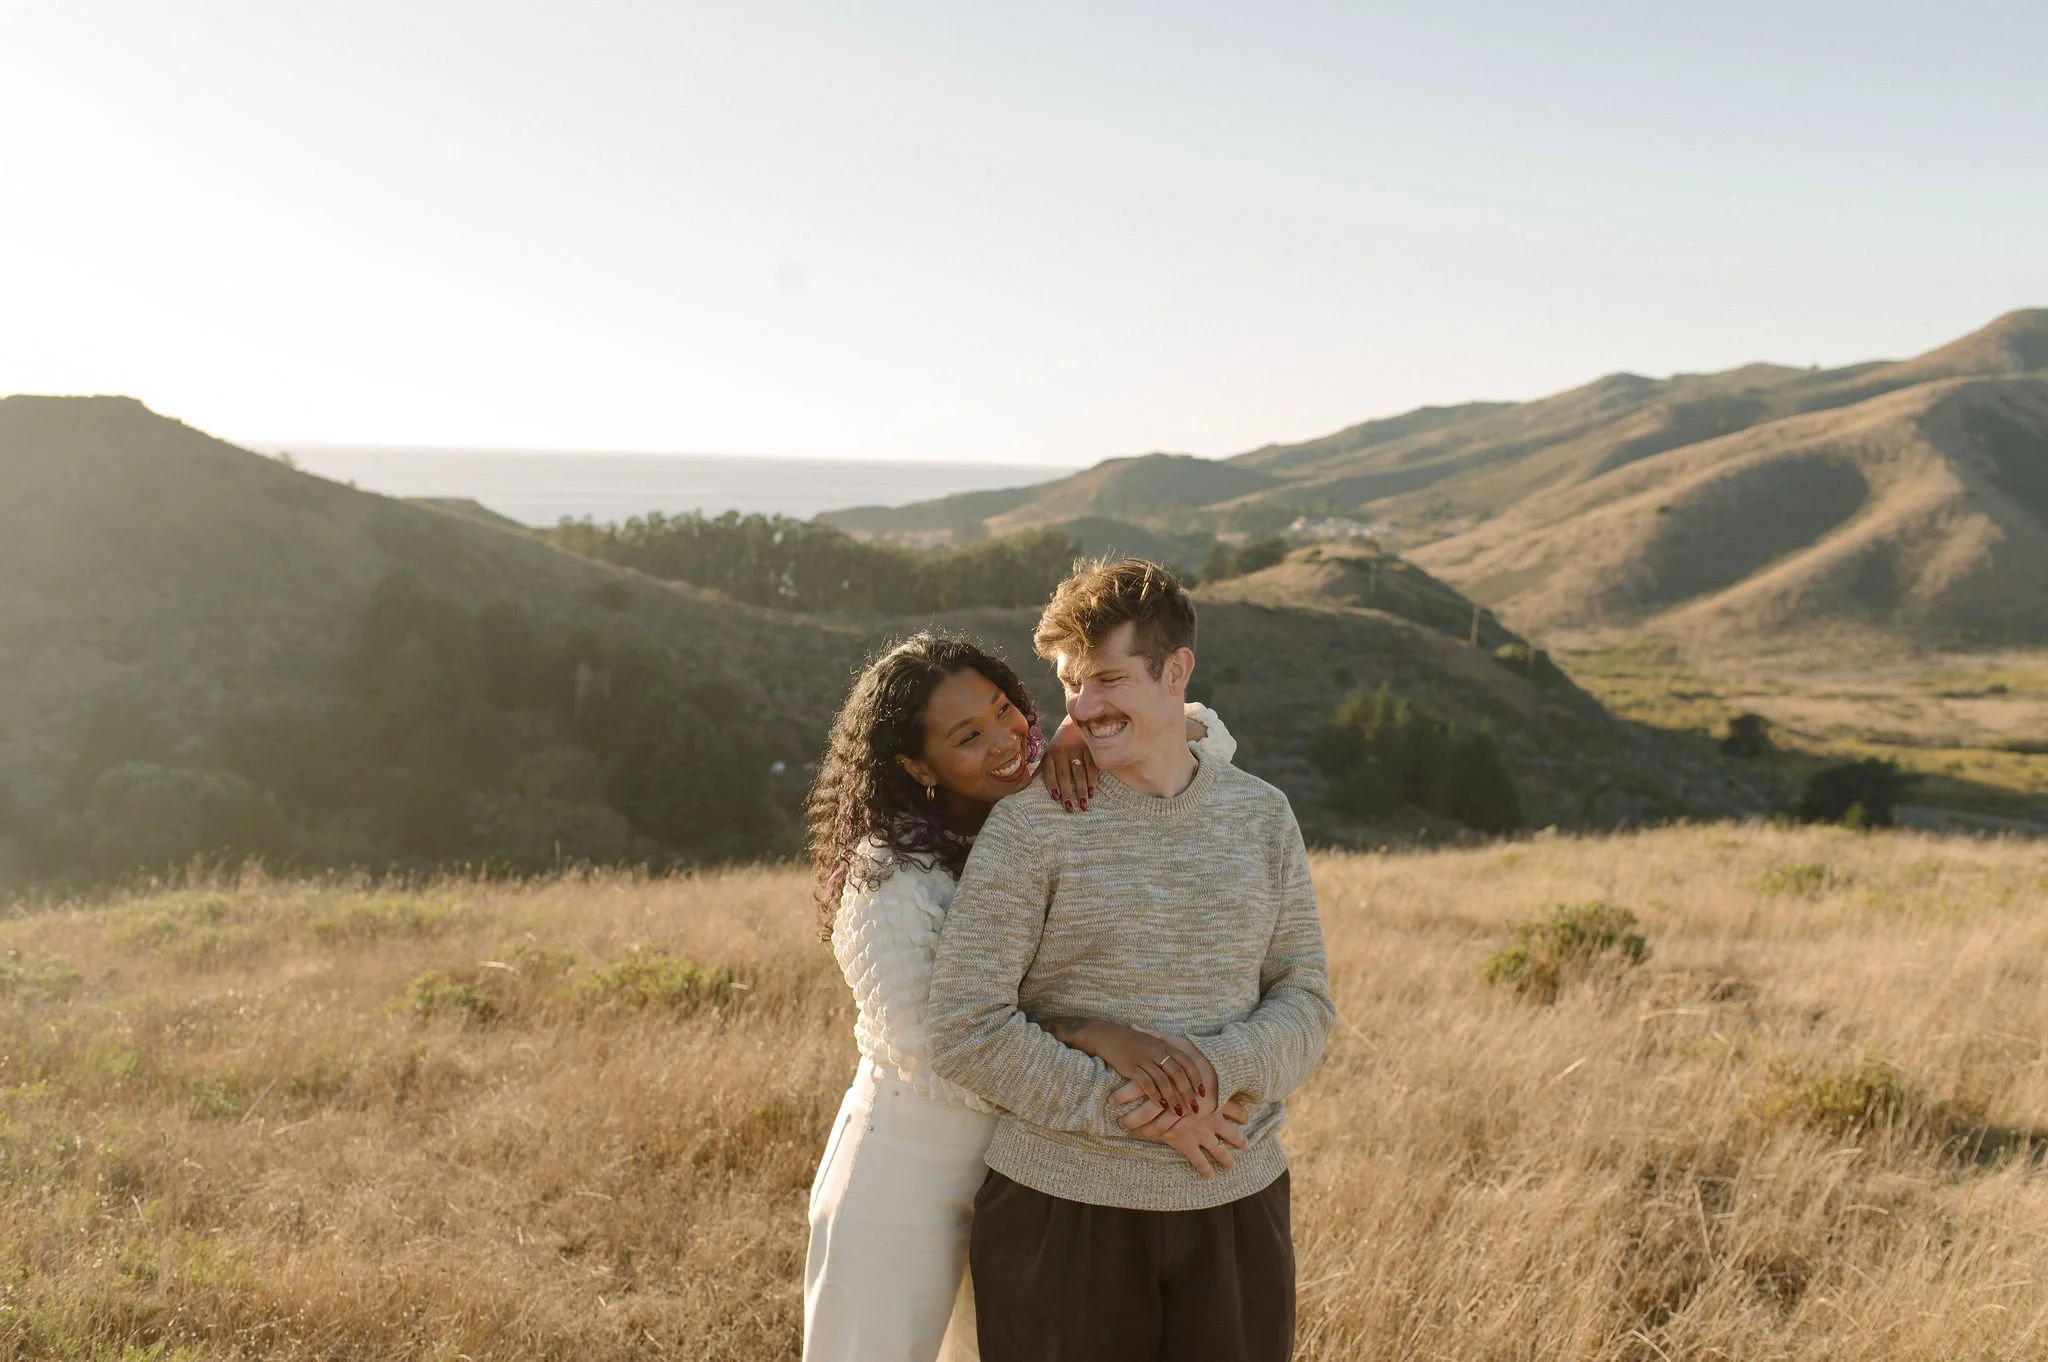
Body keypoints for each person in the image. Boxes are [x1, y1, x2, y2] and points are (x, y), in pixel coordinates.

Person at [925, 558, 1335, 1362]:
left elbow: (1306, 996)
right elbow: (965, 1026)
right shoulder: (1031, 824)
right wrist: (1141, 1112)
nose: (1084, 707)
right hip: (1063, 1214)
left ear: (1176, 670)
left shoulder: (1261, 815)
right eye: (1074, 685)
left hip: (1234, 1201)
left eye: (1109, 679)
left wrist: (1212, 1075)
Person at [802, 630, 1242, 1362]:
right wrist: (1099, 1052)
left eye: (1008, 709)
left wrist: (1087, 729)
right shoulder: (890, 875)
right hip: (908, 1168)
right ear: (917, 764)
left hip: (1027, 1175)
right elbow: (942, 1049)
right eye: (968, 736)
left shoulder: (1046, 796)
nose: (1007, 738)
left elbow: (1212, 736)